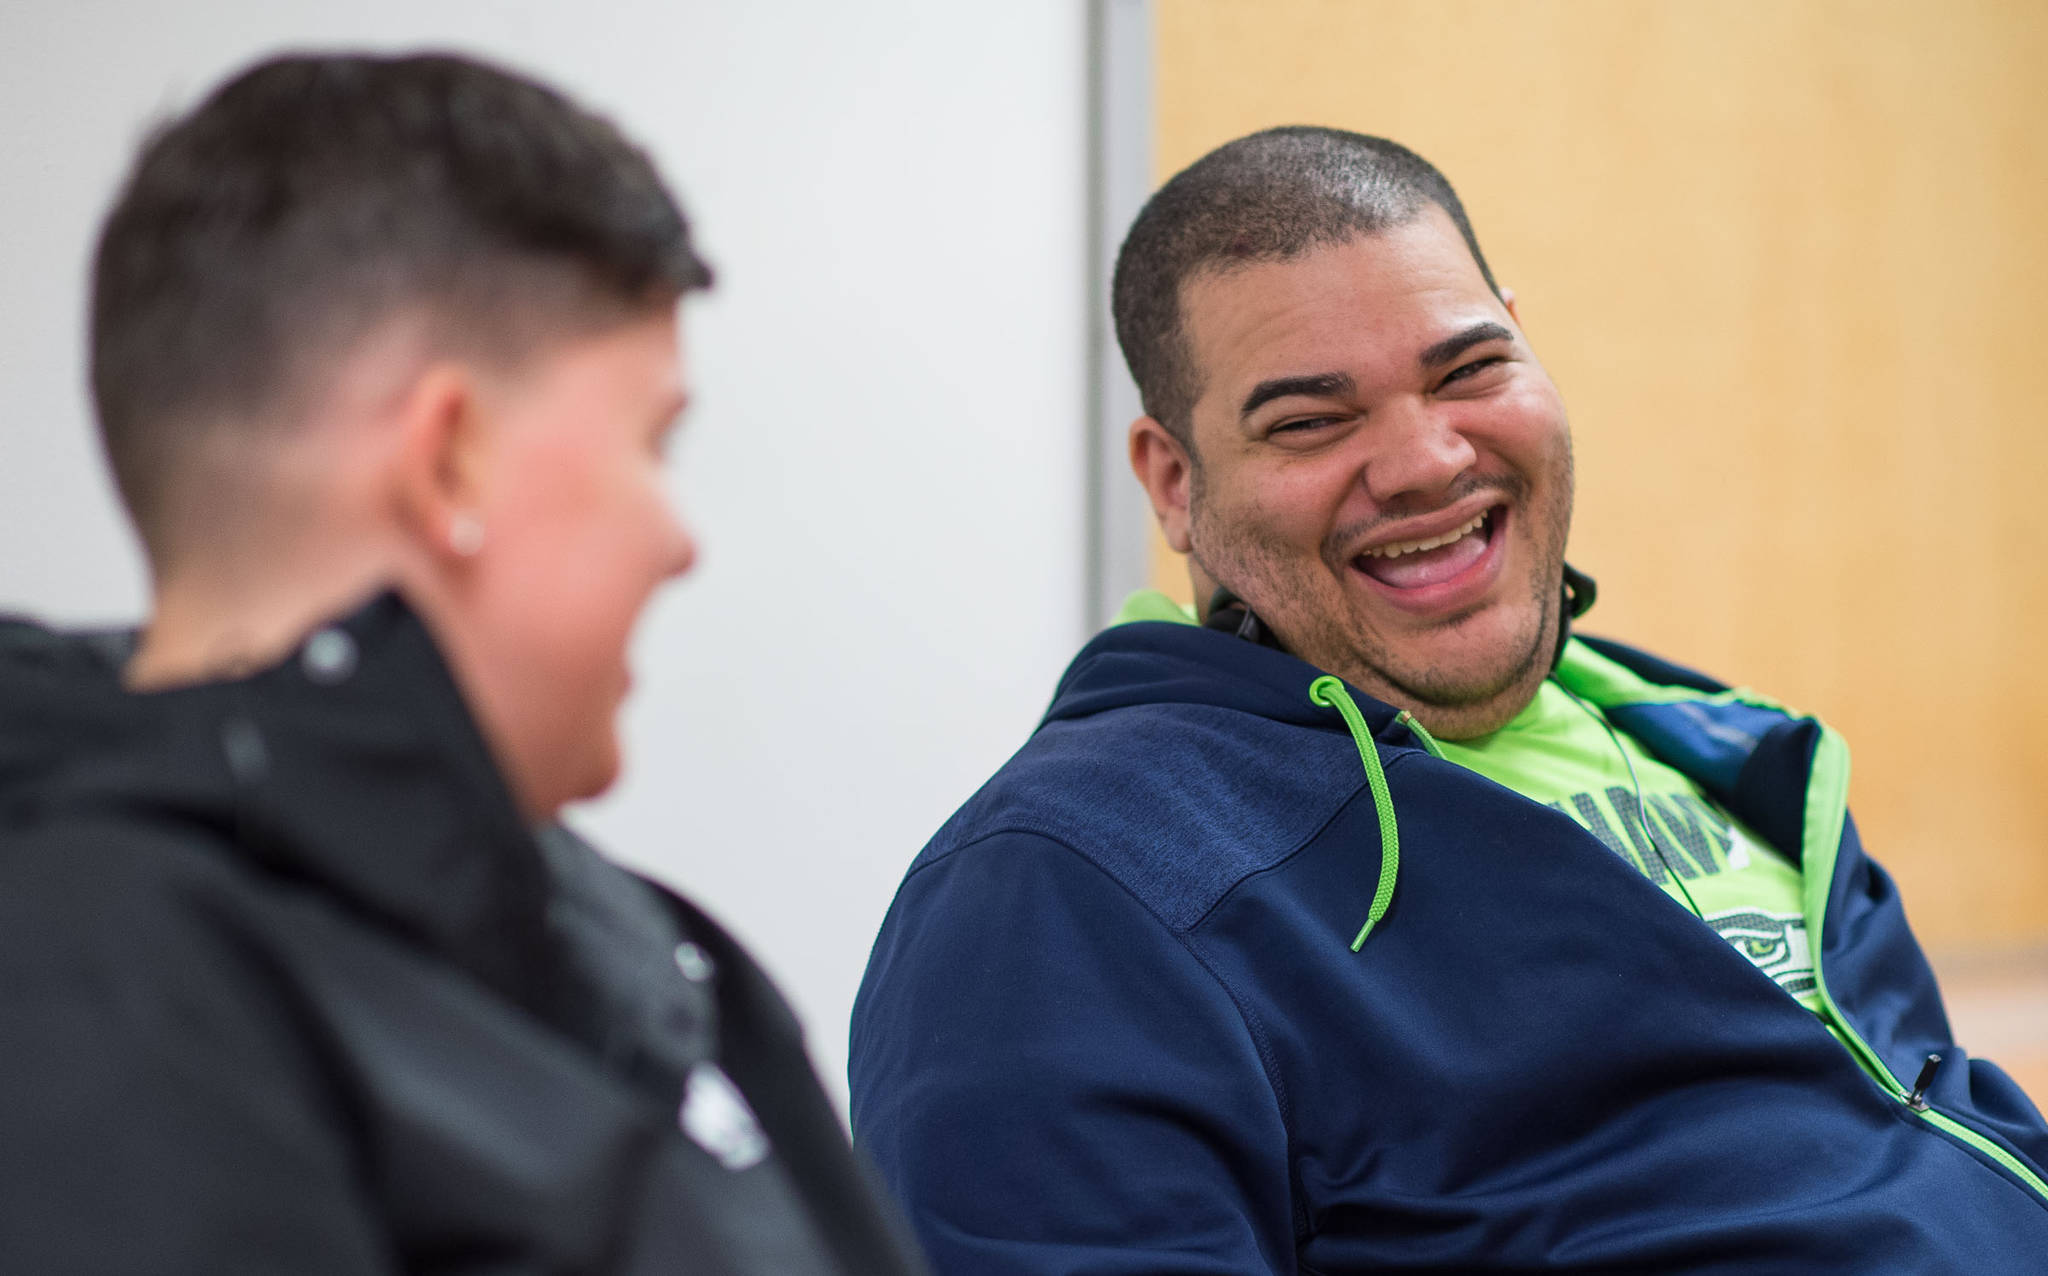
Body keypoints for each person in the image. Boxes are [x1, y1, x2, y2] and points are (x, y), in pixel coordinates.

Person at [850, 127, 2048, 1271]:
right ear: (1173, 482)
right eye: (1311, 419)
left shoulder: (1716, 746)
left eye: (1468, 368)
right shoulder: (1065, 885)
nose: (1425, 460)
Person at [0, 53, 927, 1276]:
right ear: (449, 464)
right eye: (653, 440)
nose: (679, 540)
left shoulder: (638, 947)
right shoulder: (104, 995)